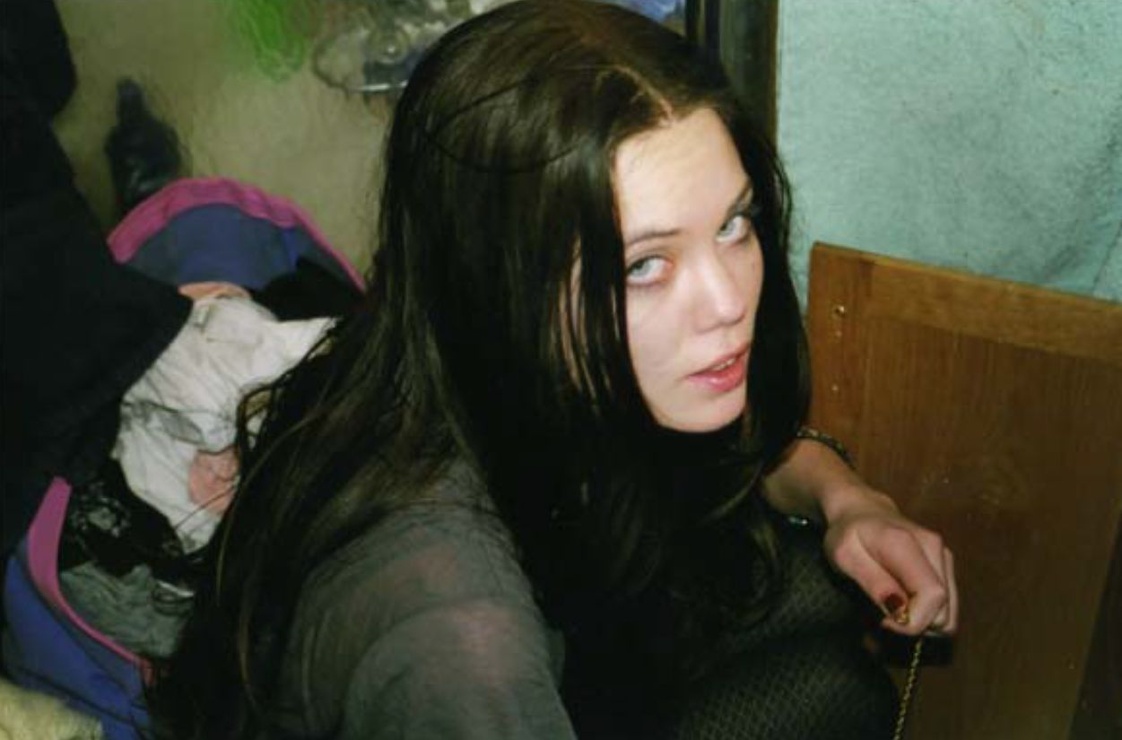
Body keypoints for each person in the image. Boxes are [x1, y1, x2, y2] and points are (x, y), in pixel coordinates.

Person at [148, 1, 958, 737]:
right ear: (503, 283)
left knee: (815, 605)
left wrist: (847, 499)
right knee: (832, 689)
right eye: (644, 265)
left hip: (575, 626)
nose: (727, 301)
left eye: (733, 224)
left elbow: (739, 448)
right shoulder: (456, 640)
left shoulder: (466, 348)